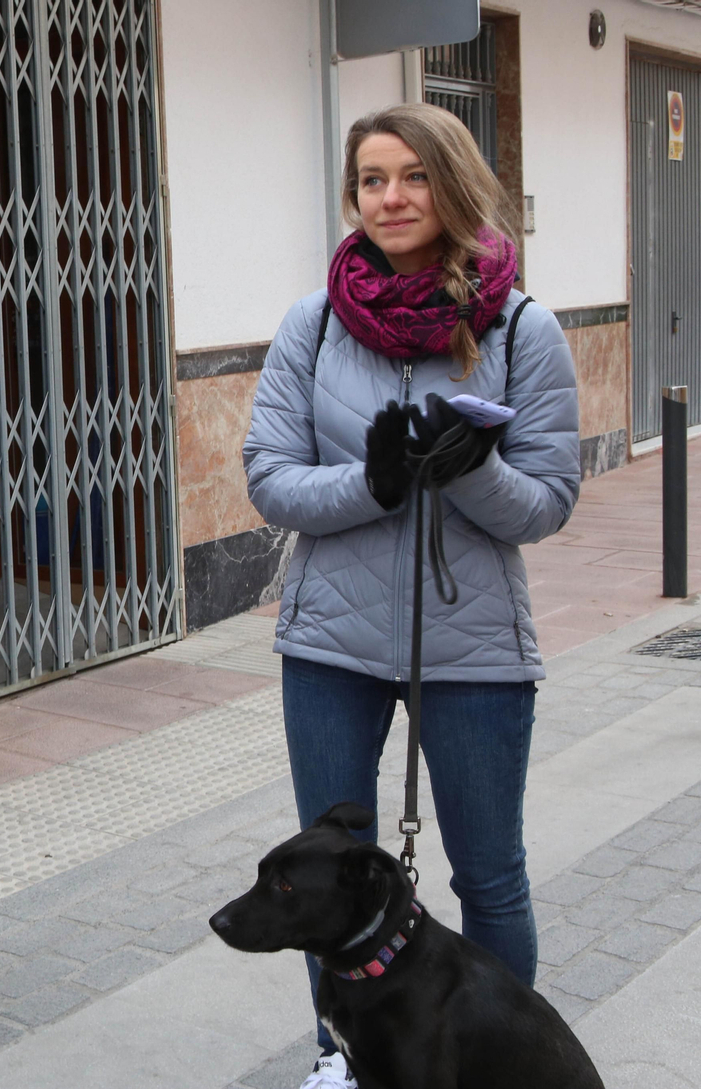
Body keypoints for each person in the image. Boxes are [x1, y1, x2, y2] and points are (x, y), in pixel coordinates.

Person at [242, 104, 580, 1089]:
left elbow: (546, 502)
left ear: (452, 183)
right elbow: (267, 476)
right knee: (321, 882)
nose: (390, 197)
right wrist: (376, 483)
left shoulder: (523, 328)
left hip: (473, 650)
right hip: (328, 649)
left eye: (412, 176)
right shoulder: (311, 322)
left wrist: (467, 466)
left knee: (486, 874)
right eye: (372, 179)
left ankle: (495, 1064)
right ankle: (339, 1056)